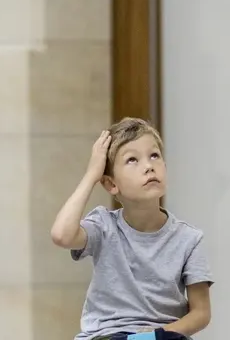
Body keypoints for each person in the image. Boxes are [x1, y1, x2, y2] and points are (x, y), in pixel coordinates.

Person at [50, 118, 212, 340]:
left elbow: (201, 313)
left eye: (154, 156)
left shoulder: (189, 239)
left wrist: (154, 337)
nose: (148, 166)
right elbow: (62, 235)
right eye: (132, 160)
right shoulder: (104, 226)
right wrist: (91, 175)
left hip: (164, 336)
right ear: (110, 184)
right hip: (107, 335)